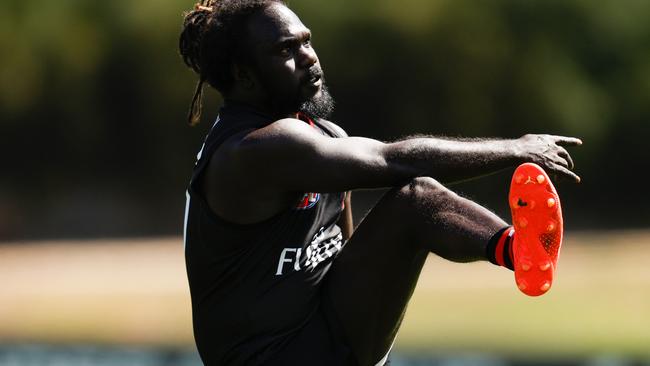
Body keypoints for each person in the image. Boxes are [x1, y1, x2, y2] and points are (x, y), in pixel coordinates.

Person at [179, 1, 582, 365]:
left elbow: (343, 252)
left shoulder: (322, 136)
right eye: (286, 49)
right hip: (274, 357)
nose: (309, 57)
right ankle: (516, 249)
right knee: (416, 197)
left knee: (416, 200)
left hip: (329, 339)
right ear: (243, 75)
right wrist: (517, 148)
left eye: (307, 41)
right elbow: (392, 159)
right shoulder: (252, 150)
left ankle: (522, 251)